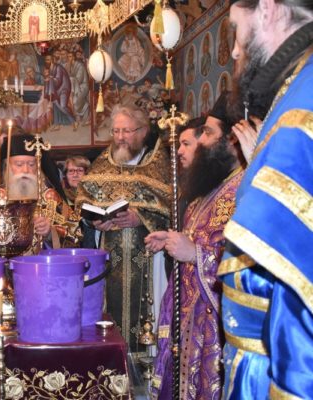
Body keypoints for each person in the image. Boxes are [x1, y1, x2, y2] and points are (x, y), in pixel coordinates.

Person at [217, 0, 313, 398]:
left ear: (269, 9)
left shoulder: (301, 105)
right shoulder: (293, 90)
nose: (235, 50)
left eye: (236, 29)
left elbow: (298, 282)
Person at [146, 97, 244, 400]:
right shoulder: (209, 188)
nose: (200, 142)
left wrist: (195, 254)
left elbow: (247, 264)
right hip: (190, 324)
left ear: (232, 140)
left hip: (214, 331)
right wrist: (173, 239)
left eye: (208, 134)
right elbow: (199, 238)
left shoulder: (244, 190)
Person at [75, 103, 171, 353]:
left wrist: (141, 218)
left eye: (126, 131)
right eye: (116, 131)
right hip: (110, 256)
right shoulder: (102, 163)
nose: (120, 137)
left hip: (149, 257)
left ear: (142, 131)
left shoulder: (159, 163)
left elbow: (172, 208)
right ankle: (113, 362)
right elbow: (83, 200)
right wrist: (95, 222)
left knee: (148, 316)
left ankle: (147, 367)